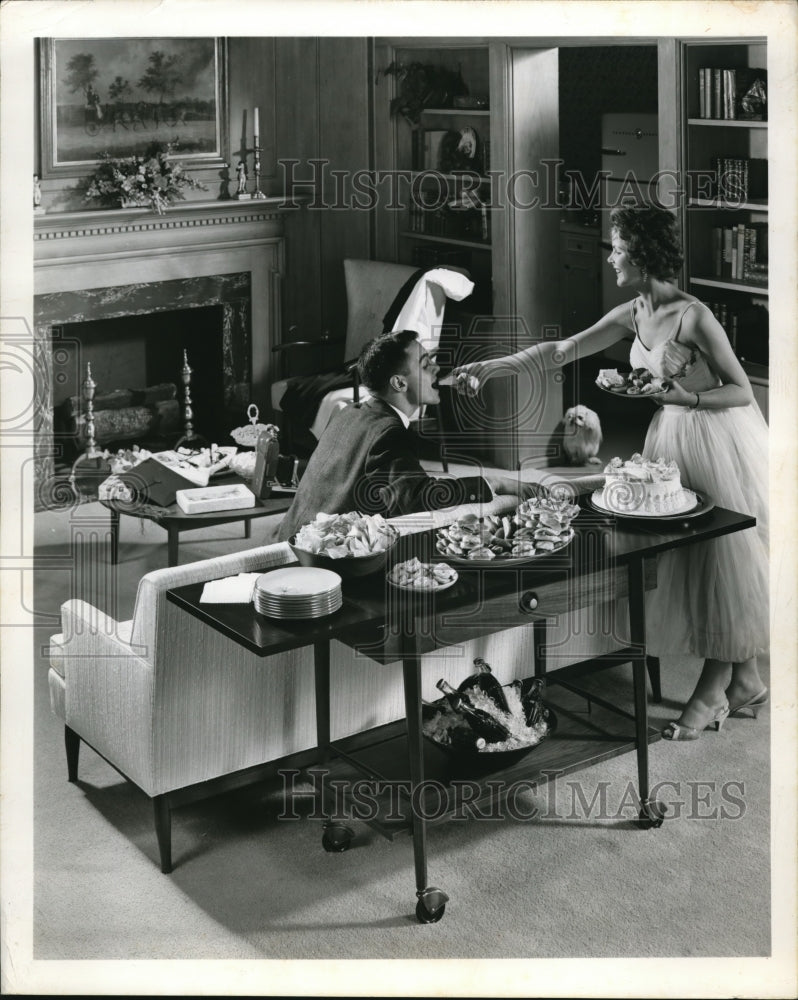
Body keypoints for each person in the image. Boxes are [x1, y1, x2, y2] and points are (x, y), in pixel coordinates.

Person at [452, 204, 769, 741]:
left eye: (619, 247)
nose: (611, 256)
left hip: (714, 436)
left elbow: (740, 388)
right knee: (694, 556)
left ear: (643, 254)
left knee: (721, 558)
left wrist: (685, 396)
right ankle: (745, 679)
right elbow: (562, 350)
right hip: (669, 439)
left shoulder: (693, 315)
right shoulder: (632, 313)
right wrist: (495, 366)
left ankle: (715, 689)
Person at [278, 329, 597, 542]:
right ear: (399, 384)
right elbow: (417, 497)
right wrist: (498, 482)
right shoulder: (388, 431)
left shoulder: (351, 412)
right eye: (425, 364)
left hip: (291, 539)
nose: (436, 368)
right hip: (324, 558)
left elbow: (391, 476)